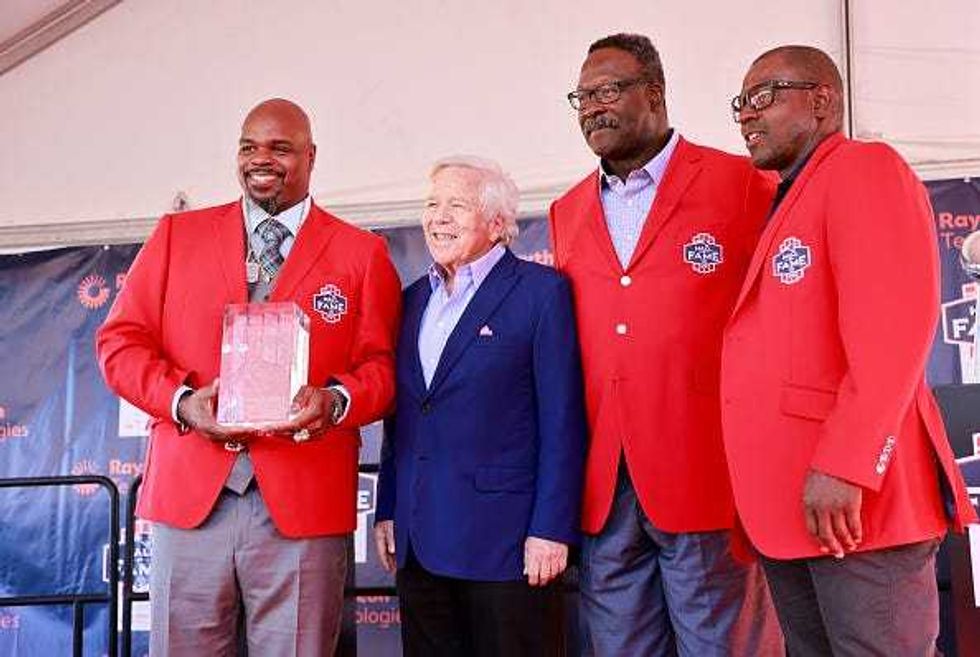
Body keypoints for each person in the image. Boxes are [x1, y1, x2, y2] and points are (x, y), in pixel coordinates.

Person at [96, 98, 402, 655]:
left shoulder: (362, 254)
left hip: (304, 501)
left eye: (280, 148)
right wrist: (184, 401)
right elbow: (119, 344)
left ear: (311, 156)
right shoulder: (175, 236)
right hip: (192, 501)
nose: (262, 159)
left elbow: (382, 370)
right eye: (248, 146)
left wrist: (334, 401)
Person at [724, 45, 978, 655]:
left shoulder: (864, 169)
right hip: (792, 509)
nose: (747, 116)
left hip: (856, 502)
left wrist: (847, 462)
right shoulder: (786, 196)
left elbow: (893, 333)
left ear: (822, 100)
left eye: (765, 96)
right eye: (741, 104)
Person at [549, 33, 782, 656]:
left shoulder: (742, 182)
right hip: (605, 481)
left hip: (706, 467)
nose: (593, 108)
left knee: (723, 645)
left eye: (607, 91)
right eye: (582, 97)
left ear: (654, 93)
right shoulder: (565, 211)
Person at [374, 155, 587, 656]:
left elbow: (563, 423)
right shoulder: (409, 302)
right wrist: (388, 509)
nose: (438, 217)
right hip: (417, 544)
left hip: (507, 547)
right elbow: (401, 417)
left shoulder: (542, 293)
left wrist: (552, 530)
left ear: (497, 223)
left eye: (456, 205)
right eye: (431, 204)